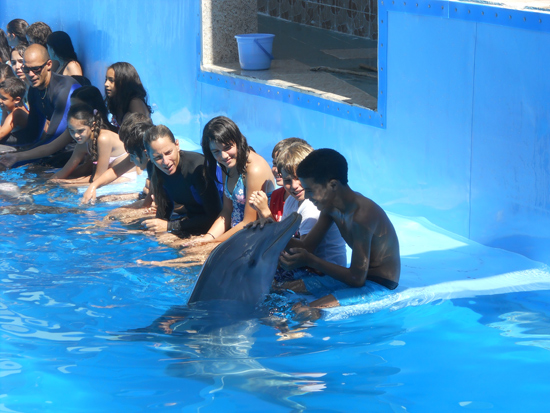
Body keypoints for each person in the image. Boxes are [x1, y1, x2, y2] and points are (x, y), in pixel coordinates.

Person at [277, 148, 401, 310]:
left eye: (310, 190)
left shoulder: (362, 216)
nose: (307, 197)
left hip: (378, 284)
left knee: (304, 311)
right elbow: (306, 247)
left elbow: (357, 279)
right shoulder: (331, 208)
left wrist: (310, 260)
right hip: (354, 277)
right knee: (279, 289)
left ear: (333, 185)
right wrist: (272, 232)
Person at [273, 142, 347, 282]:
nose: (294, 186)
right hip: (306, 267)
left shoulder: (312, 205)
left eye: (298, 178)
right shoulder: (291, 201)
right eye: (288, 180)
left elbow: (306, 250)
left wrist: (271, 230)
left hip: (327, 274)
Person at [201, 116, 275, 243]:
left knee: (190, 259)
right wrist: (207, 238)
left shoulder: (254, 169)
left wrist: (211, 244)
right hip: (236, 235)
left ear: (238, 140)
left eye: (227, 147)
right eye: (216, 151)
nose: (223, 156)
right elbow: (227, 211)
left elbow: (249, 221)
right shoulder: (227, 165)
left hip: (256, 237)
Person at [141, 124, 222, 234]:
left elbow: (215, 216)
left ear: (177, 145)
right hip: (192, 219)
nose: (165, 162)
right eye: (158, 157)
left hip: (218, 221)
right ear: (148, 155)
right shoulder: (153, 168)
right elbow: (165, 206)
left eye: (168, 152)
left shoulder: (197, 169)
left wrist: (169, 226)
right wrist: (156, 228)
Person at [0, 86, 107, 168]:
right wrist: (17, 156)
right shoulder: (74, 129)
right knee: (40, 165)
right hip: (74, 156)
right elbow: (49, 147)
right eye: (72, 107)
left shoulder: (103, 134)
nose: (72, 111)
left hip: (82, 160)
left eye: (76, 107)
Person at [6, 44, 80, 148]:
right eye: (26, 69)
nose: (31, 74)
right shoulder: (34, 90)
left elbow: (53, 138)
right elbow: (32, 135)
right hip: (60, 147)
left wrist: (19, 157)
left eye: (36, 69)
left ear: (49, 64)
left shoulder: (64, 90)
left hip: (82, 148)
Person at [49, 103, 131, 188]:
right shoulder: (81, 145)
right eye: (71, 131)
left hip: (125, 178)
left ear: (93, 125)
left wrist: (69, 183)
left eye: (80, 131)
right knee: (58, 181)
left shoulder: (103, 139)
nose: (76, 135)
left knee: (68, 187)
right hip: (105, 179)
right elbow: (64, 172)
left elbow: (98, 178)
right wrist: (48, 183)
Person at [81, 112, 153, 205]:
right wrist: (93, 186)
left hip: (156, 201)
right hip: (146, 196)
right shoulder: (140, 152)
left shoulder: (157, 159)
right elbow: (116, 171)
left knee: (113, 216)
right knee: (101, 200)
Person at [249, 137, 308, 222]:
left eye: (283, 165)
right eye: (275, 164)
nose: (277, 170)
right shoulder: (276, 196)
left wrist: (265, 212)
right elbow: (279, 230)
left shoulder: (309, 202)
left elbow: (282, 233)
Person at [104, 62, 151, 129]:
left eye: (111, 80)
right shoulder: (117, 101)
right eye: (106, 79)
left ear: (123, 82)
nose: (106, 84)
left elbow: (142, 133)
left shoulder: (135, 102)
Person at [0, 77, 28, 142]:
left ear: (17, 100)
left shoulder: (17, 113)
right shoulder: (10, 109)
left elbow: (0, 135)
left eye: (4, 99)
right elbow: (2, 125)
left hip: (34, 148)